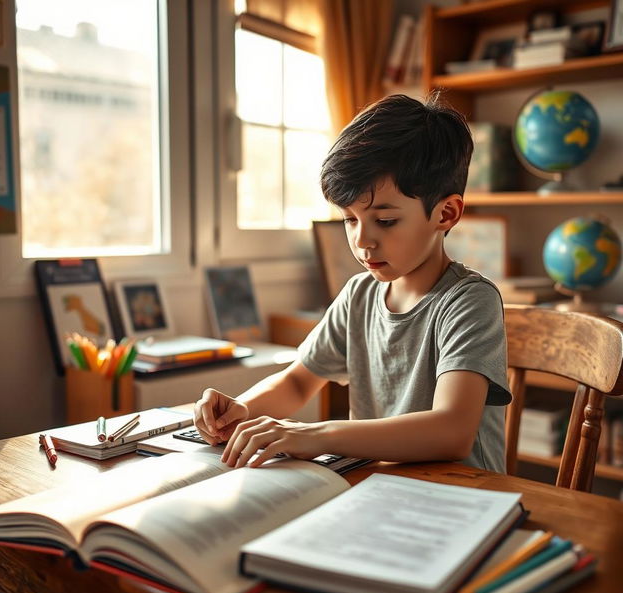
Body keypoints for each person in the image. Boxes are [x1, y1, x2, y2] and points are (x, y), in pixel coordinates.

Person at [194, 93, 512, 472]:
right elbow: (298, 382)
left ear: (446, 213)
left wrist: (317, 435)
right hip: (377, 487)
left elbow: (451, 431)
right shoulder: (359, 295)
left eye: (386, 220)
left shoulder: (468, 301)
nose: (362, 241)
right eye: (349, 219)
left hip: (461, 496)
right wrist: (242, 408)